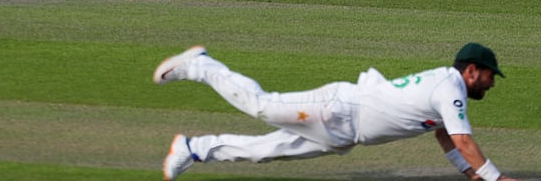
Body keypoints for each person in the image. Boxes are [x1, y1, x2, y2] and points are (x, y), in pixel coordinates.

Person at [154, 43, 518, 181]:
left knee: (267, 152)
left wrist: (471, 174)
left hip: (344, 134)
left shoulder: (447, 92)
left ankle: (194, 149)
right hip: (337, 110)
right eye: (489, 76)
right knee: (262, 105)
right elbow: (462, 138)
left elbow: (444, 135)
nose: (491, 83)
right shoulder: (450, 87)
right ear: (471, 70)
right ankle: (200, 65)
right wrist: (495, 179)